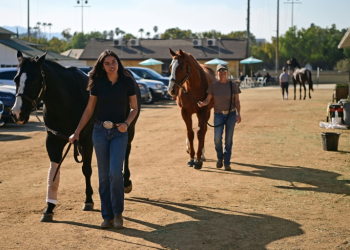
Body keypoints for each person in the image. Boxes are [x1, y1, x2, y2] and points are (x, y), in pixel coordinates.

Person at [69, 50, 138, 229]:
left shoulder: (127, 81)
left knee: (115, 173)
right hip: (99, 131)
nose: (111, 66)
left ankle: (118, 214)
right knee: (103, 177)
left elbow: (134, 108)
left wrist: (126, 123)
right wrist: (76, 132)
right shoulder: (97, 83)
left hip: (119, 132)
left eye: (113, 62)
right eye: (106, 63)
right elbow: (89, 110)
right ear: (102, 65)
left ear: (118, 62)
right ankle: (106, 216)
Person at [197, 64, 241, 171]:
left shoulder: (233, 85)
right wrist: (202, 103)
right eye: (220, 71)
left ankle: (227, 163)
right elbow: (208, 100)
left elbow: (237, 101)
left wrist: (239, 113)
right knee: (217, 139)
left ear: (227, 73)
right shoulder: (213, 86)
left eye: (224, 71)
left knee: (228, 140)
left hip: (231, 114)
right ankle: (220, 158)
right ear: (217, 73)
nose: (222, 73)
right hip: (218, 115)